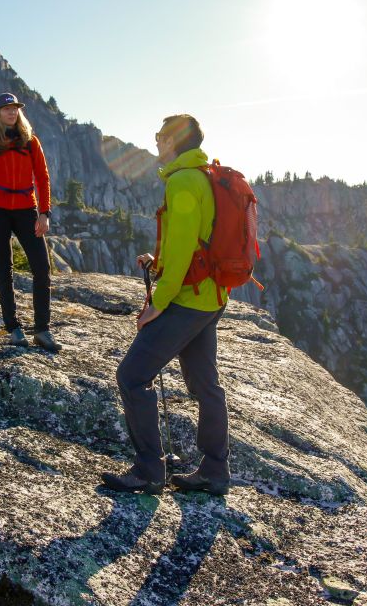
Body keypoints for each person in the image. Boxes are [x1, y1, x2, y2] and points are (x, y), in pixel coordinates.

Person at [101, 114, 230, 496]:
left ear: (174, 140)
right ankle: (214, 471)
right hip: (211, 297)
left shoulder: (183, 180)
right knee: (206, 385)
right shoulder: (204, 174)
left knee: (132, 376)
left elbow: (183, 245)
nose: (156, 142)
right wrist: (157, 265)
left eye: (160, 136)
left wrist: (158, 301)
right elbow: (194, 241)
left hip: (187, 300)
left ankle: (148, 471)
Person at [0, 93, 60, 352]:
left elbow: (43, 178)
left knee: (41, 268)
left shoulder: (31, 142)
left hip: (26, 210)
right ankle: (14, 328)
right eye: (6, 108)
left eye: (15, 108)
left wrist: (44, 213)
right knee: (4, 269)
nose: (12, 112)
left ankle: (42, 330)